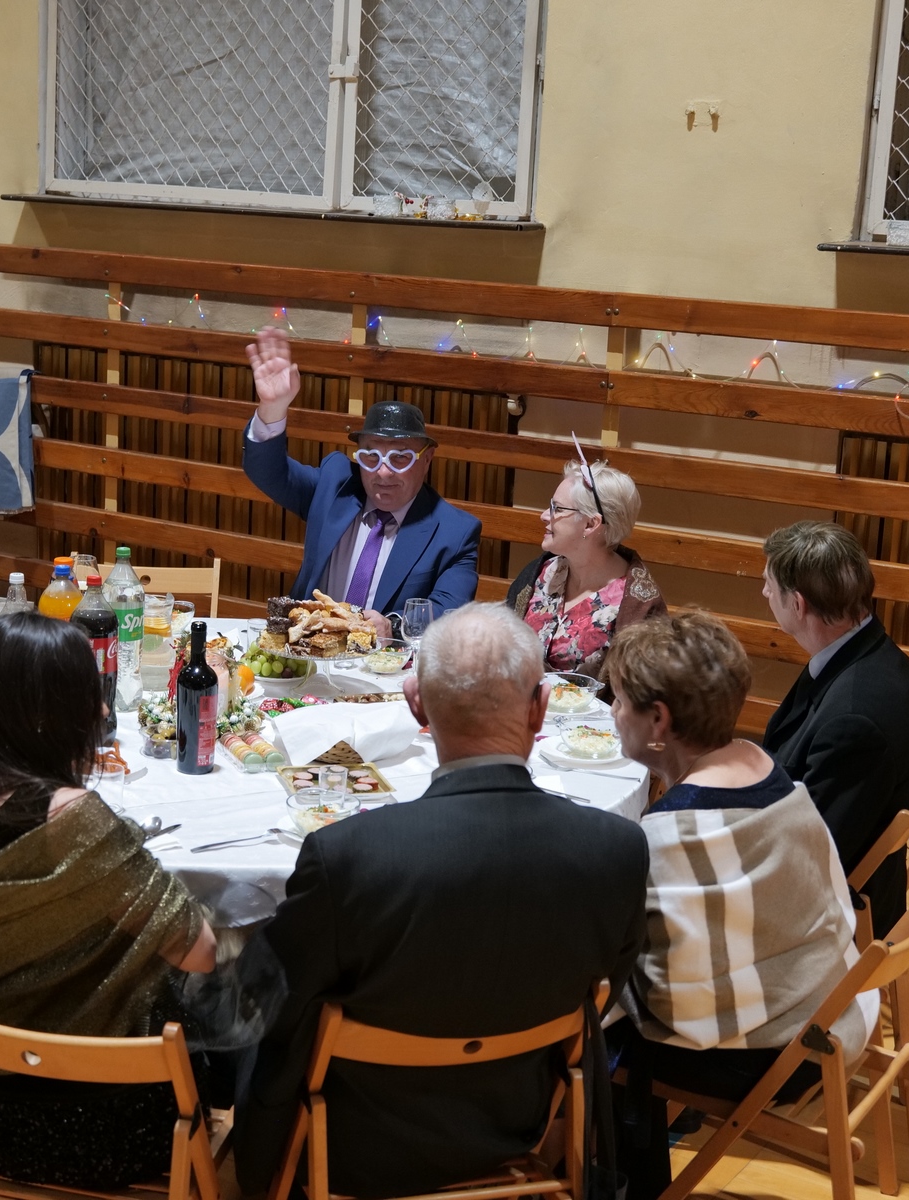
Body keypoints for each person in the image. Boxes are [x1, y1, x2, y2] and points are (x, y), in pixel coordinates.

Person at [234, 602, 649, 1198]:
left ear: (416, 706)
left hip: (349, 1148)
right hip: (520, 1130)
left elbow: (266, 995)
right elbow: (608, 983)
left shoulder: (347, 856)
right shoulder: (617, 849)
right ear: (540, 708)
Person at [0, 610, 217, 1189]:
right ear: (49, 716)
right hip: (105, 1128)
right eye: (89, 697)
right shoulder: (73, 819)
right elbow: (200, 951)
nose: (102, 712)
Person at [602, 611, 877, 1200]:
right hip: (827, 1012)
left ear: (659, 720)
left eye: (619, 699)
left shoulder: (673, 834)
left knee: (581, 1022)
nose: (612, 711)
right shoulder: (766, 769)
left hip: (775, 1052)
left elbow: (672, 1001)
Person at [243, 327, 480, 635]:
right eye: (371, 457)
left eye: (400, 458)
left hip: (384, 661)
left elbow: (449, 611)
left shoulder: (454, 532)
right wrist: (273, 409)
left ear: (427, 459)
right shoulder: (336, 484)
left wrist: (392, 625)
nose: (383, 472)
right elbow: (268, 472)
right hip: (309, 650)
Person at [760, 521, 909, 936]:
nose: (763, 592)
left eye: (769, 584)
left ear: (798, 604)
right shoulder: (860, 650)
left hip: (825, 918)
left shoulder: (855, 721)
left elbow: (810, 854)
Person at [508, 456, 664, 678]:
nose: (544, 516)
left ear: (591, 524)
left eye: (556, 508)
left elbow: (641, 688)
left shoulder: (640, 605)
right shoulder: (540, 573)